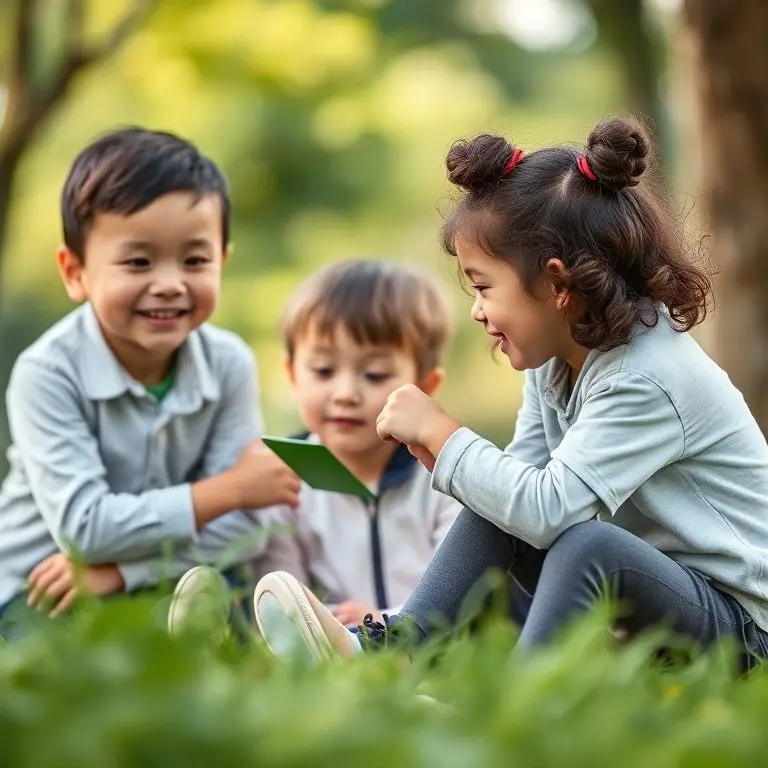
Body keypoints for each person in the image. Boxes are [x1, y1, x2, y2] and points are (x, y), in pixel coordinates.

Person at [251, 115, 768, 671]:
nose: (476, 309)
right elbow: (512, 500)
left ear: (554, 286)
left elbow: (545, 512)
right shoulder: (560, 358)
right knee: (496, 498)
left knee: (584, 544)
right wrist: (461, 462)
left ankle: (516, 711)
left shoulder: (648, 376)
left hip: (745, 629)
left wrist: (445, 437)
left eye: (482, 286)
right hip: (662, 609)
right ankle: (389, 651)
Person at [0, 127, 300, 640]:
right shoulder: (46, 372)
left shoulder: (229, 363)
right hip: (43, 584)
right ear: (75, 272)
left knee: (216, 596)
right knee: (54, 659)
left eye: (195, 260)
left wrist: (120, 573)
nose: (169, 283)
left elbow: (249, 528)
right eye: (138, 261)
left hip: (164, 580)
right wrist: (225, 492)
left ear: (222, 261)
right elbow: (85, 530)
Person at [252, 259, 462, 626]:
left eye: (375, 374)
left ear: (424, 387)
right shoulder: (284, 481)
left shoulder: (445, 476)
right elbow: (280, 599)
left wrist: (385, 623)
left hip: (427, 643)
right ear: (292, 375)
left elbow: (462, 593)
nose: (346, 393)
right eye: (323, 371)